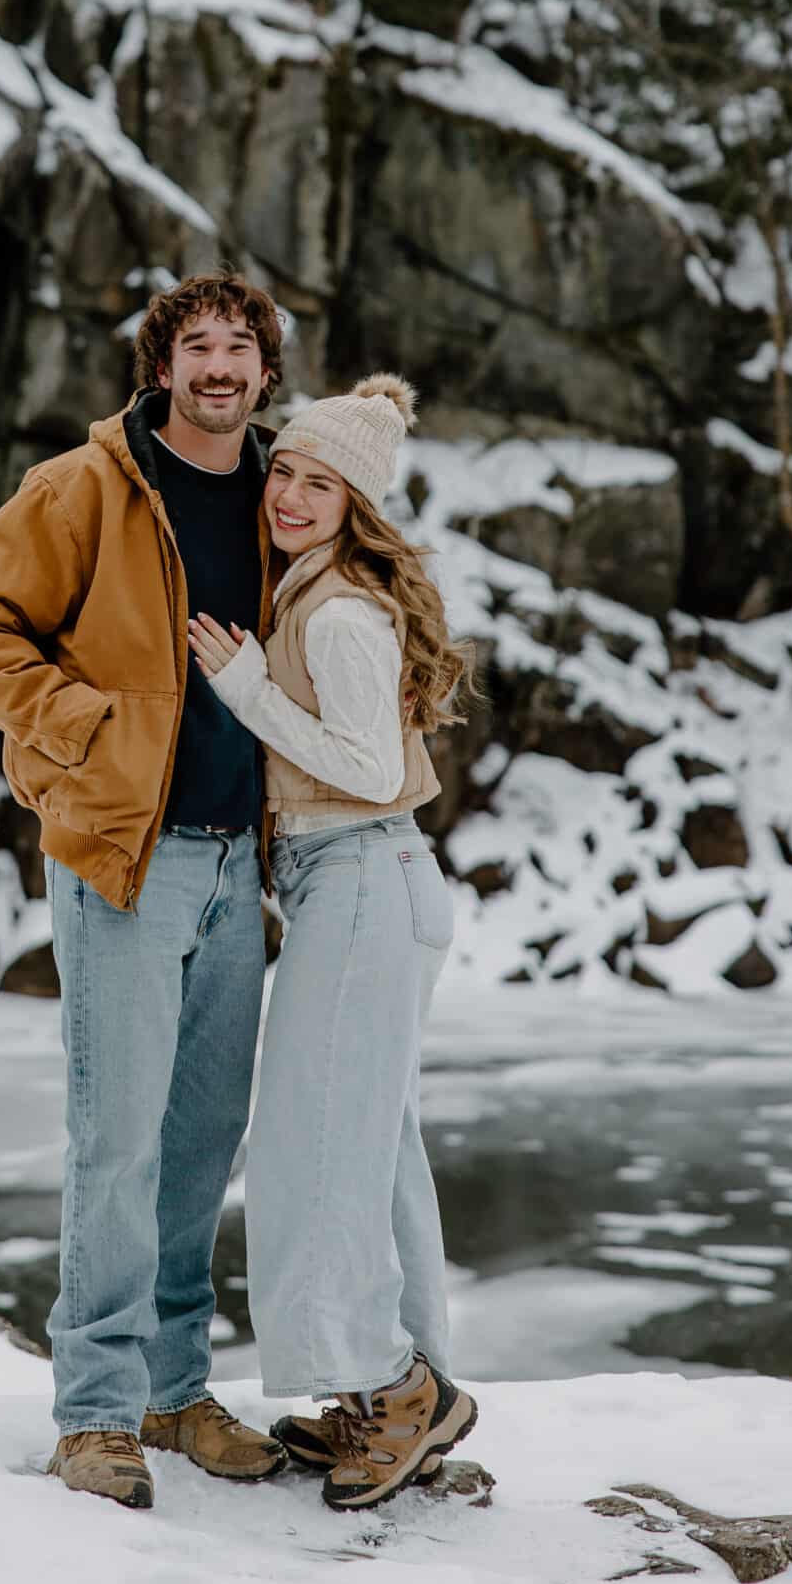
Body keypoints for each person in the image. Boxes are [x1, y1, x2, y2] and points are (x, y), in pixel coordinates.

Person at [0, 272, 289, 1510]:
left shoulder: (283, 493)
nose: (219, 366)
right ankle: (94, 1410)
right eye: (198, 346)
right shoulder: (85, 486)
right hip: (125, 859)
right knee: (118, 1140)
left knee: (199, 1143)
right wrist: (82, 724)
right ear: (162, 366)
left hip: (240, 862)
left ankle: (174, 1392)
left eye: (239, 346)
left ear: (265, 370)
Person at [187, 372, 479, 1511]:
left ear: (357, 504)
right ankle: (400, 1391)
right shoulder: (314, 591)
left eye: (321, 483)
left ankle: (392, 1387)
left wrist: (245, 686)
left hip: (360, 878)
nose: (292, 496)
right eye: (287, 474)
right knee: (369, 1150)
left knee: (312, 1148)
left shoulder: (340, 613)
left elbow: (363, 769)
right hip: (363, 887)